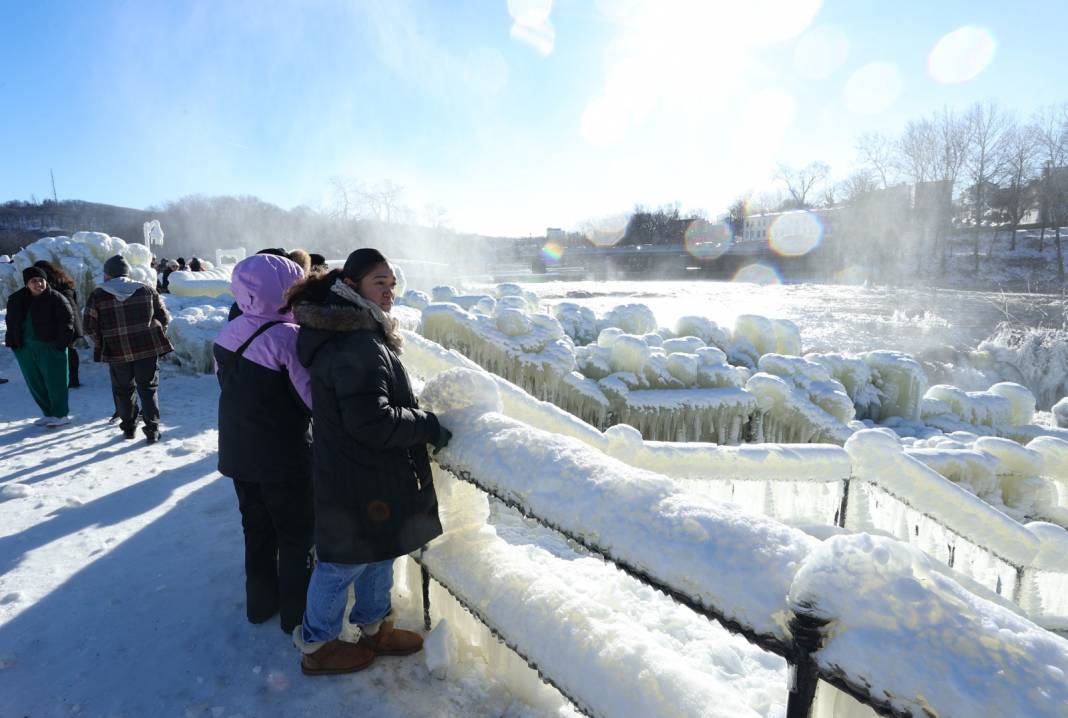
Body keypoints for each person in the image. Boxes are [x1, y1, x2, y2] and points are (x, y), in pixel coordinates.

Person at [284, 248, 451, 675]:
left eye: (393, 284)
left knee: (381, 551)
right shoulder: (356, 340)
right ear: (352, 285)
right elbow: (371, 420)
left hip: (367, 472)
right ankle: (318, 646)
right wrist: (428, 424)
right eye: (381, 283)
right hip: (355, 474)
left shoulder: (359, 330)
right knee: (341, 562)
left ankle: (375, 627)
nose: (390, 292)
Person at [214, 254, 315, 634]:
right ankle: (297, 615)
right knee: (295, 534)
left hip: (238, 452)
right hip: (282, 458)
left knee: (256, 530)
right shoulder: (287, 337)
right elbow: (311, 400)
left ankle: (259, 606)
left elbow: (226, 384)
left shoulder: (229, 332)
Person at [83, 255, 173, 443]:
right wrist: (155, 333)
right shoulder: (146, 290)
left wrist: (102, 342)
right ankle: (153, 430)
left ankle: (129, 428)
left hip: (116, 352)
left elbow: (89, 327)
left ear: (107, 274)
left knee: (123, 390)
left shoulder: (98, 294)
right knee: (148, 389)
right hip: (147, 350)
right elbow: (164, 318)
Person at [4, 267, 75, 426]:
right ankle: (48, 413)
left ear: (46, 281)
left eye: (41, 280)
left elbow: (67, 323)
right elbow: (11, 322)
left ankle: (61, 415)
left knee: (55, 382)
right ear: (27, 284)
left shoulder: (56, 298)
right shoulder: (17, 299)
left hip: (50, 347)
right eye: (33, 281)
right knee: (35, 382)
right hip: (25, 348)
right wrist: (14, 344)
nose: (38, 284)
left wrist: (60, 345)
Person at [34, 260, 84, 387]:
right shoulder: (65, 281)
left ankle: (61, 379)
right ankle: (74, 379)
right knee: (70, 349)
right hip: (73, 321)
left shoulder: (48, 285)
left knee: (58, 351)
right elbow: (75, 303)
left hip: (60, 322)